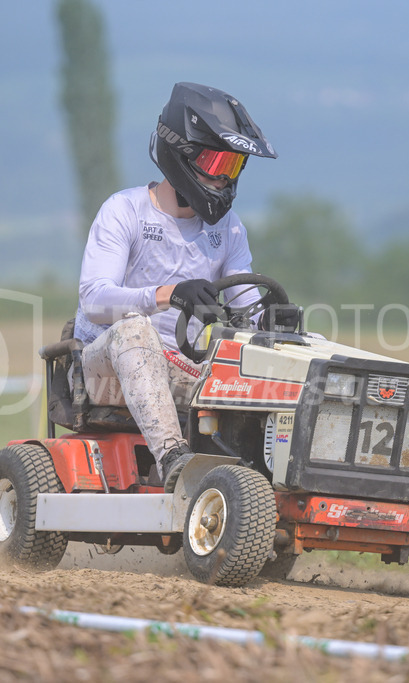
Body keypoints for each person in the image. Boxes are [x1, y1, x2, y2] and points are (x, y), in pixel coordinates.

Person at [72, 82, 278, 492]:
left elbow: (250, 311)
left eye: (233, 168)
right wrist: (167, 294)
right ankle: (174, 461)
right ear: (181, 154)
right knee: (135, 330)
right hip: (105, 370)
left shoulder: (230, 230)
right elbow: (94, 299)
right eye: (217, 164)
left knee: (286, 353)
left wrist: (275, 324)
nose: (224, 180)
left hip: (184, 370)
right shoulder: (123, 211)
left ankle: (274, 478)